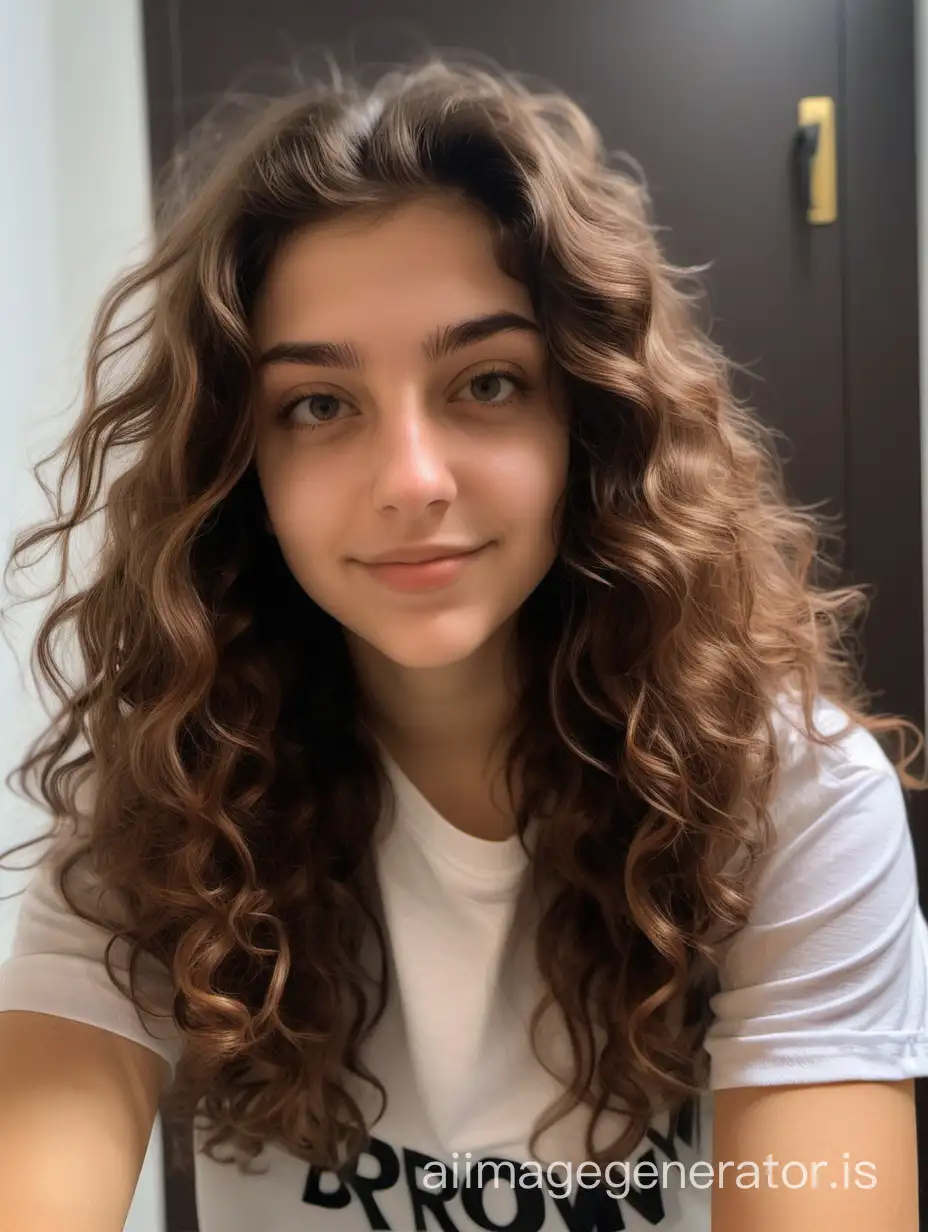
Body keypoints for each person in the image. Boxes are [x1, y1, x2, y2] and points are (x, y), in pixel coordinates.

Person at [0, 55, 926, 1232]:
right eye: (319, 405)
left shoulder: (793, 799)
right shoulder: (165, 801)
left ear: (589, 421)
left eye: (485, 381)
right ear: (242, 467)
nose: (411, 480)